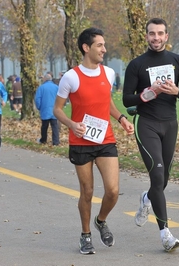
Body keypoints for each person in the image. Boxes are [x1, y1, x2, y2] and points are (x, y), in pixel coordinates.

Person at [53, 27, 134, 255]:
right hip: (80, 142)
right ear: (86, 48)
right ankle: (86, 235)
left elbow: (105, 102)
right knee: (87, 192)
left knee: (113, 191)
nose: (104, 49)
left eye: (104, 45)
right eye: (100, 45)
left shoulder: (108, 73)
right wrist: (72, 125)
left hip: (105, 139)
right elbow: (57, 110)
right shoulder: (71, 77)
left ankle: (101, 220)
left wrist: (121, 119)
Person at [122, 18, 179, 252]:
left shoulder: (178, 61)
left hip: (170, 124)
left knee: (162, 181)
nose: (156, 38)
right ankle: (165, 234)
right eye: (152, 34)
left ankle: (147, 199)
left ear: (166, 36)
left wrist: (177, 91)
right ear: (147, 36)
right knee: (157, 173)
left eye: (160, 33)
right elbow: (126, 99)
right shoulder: (136, 64)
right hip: (147, 124)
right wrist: (145, 94)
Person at [35, 73, 60, 146]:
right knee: (54, 126)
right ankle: (56, 141)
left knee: (44, 126)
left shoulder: (41, 88)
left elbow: (37, 99)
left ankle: (43, 140)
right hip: (54, 109)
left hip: (45, 109)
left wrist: (39, 107)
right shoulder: (56, 87)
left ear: (45, 79)